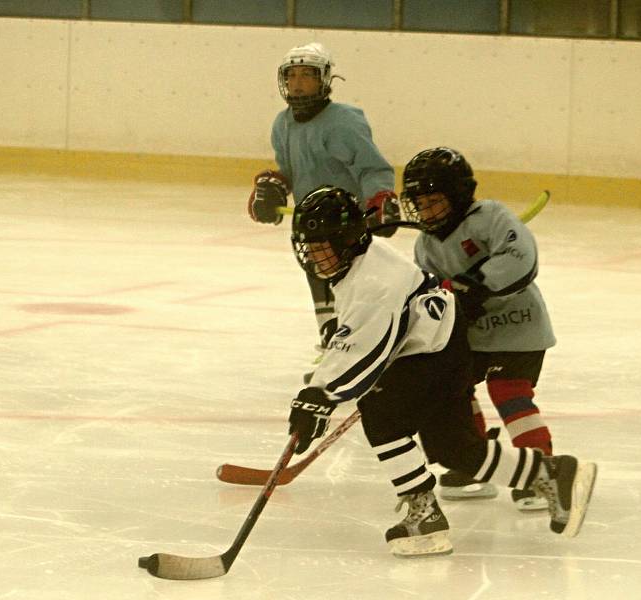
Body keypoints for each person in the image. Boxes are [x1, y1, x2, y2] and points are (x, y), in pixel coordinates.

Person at [286, 185, 597, 557]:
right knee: (454, 448)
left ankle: (423, 509)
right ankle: (551, 474)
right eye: (309, 246)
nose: (315, 256)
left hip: (432, 355)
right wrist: (321, 392)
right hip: (439, 348)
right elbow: (358, 337)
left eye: (323, 246)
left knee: (382, 415)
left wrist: (319, 396)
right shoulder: (360, 261)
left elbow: (362, 349)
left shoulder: (375, 281)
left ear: (348, 239)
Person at [400, 147, 556, 511]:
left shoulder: (490, 217)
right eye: (419, 204)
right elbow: (431, 294)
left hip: (519, 326)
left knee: (509, 391)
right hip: (472, 334)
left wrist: (475, 285)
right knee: (454, 389)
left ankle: (541, 470)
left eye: (434, 201)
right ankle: (476, 463)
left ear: (457, 195)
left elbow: (521, 257)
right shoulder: (425, 246)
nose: (425, 212)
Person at [246, 42, 399, 355]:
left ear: (325, 79)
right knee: (318, 278)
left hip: (347, 221)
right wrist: (276, 184)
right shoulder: (282, 123)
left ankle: (357, 343)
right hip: (311, 221)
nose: (298, 83)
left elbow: (372, 168)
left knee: (350, 285)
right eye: (292, 76)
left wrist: (380, 198)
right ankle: (332, 341)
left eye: (307, 75)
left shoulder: (344, 122)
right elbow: (291, 169)